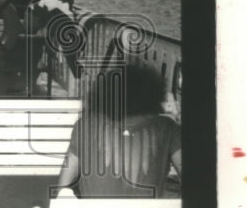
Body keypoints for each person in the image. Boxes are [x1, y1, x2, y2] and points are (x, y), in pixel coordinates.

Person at [55, 61, 181, 199]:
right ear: (152, 94)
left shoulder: (84, 125)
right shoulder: (168, 128)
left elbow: (62, 187)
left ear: (105, 93)